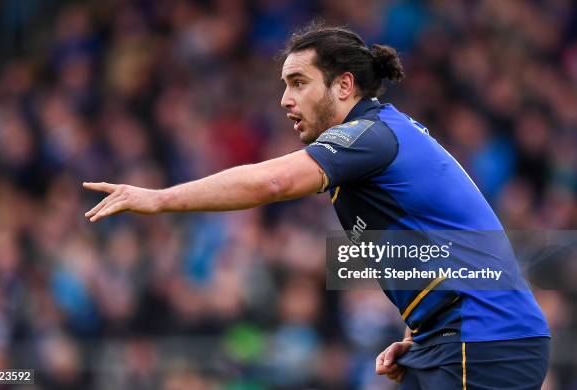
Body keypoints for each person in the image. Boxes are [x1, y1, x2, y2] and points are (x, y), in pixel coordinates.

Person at [83, 23, 550, 389]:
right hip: (462, 339)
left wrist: (159, 198)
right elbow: (444, 240)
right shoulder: (382, 138)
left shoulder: (368, 137)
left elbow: (269, 181)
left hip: (484, 341)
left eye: (298, 82)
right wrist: (419, 332)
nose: (285, 99)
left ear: (344, 86)